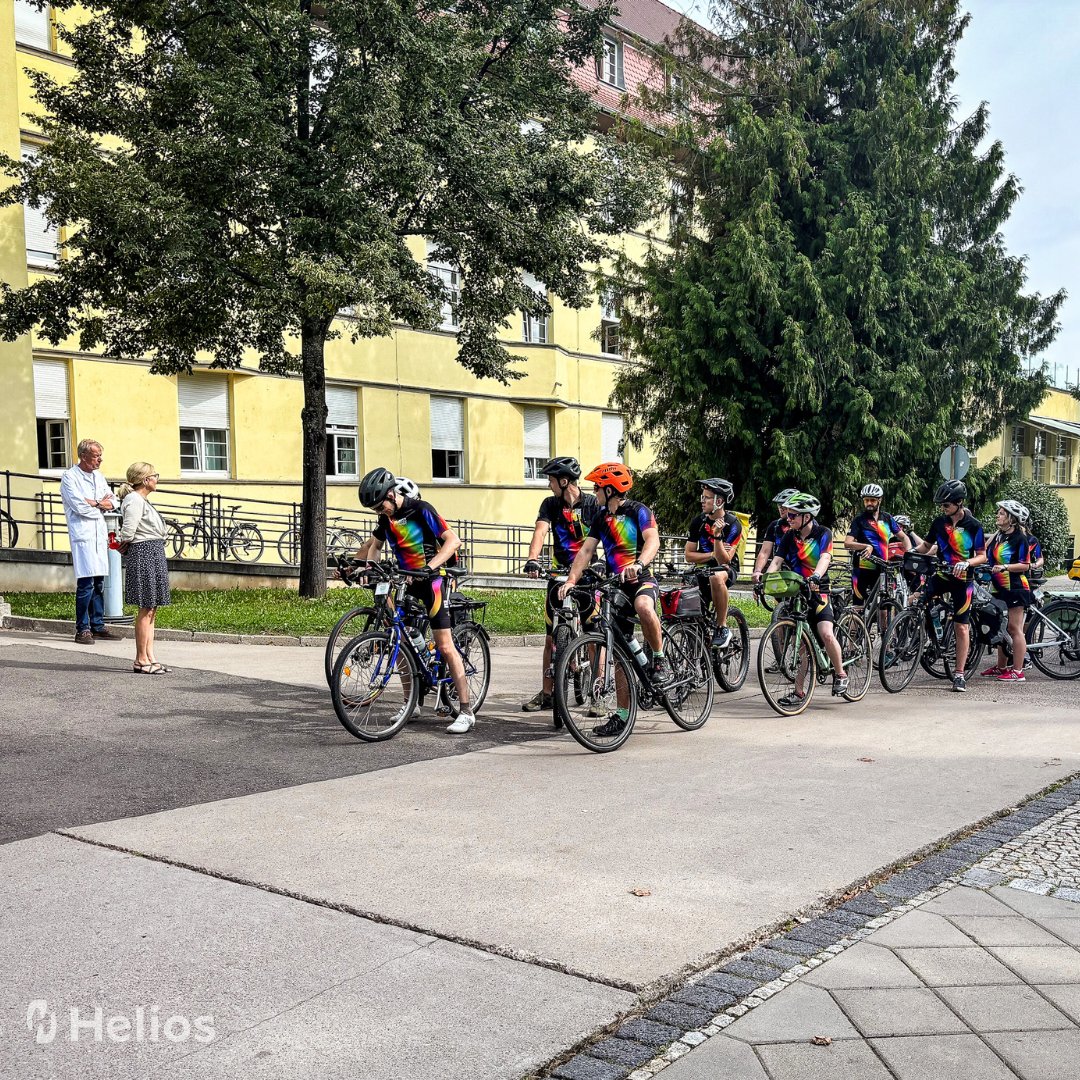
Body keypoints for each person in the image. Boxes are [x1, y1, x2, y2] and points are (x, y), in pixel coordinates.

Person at [356, 467, 475, 733]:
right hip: (405, 582)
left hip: (432, 582)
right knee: (399, 641)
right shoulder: (387, 519)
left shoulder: (421, 509)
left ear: (391, 494)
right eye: (375, 509)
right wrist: (368, 568)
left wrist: (430, 567)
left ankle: (466, 711)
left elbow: (453, 541)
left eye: (380, 506)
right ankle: (412, 703)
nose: (379, 512)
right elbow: (374, 546)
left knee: (445, 646)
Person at [559, 462, 670, 737]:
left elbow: (652, 540)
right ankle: (621, 715)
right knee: (618, 650)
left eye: (596, 487)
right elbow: (586, 551)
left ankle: (658, 658)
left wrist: (640, 563)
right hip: (616, 585)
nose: (593, 492)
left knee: (644, 606)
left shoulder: (638, 511)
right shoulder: (600, 517)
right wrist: (571, 580)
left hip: (641, 580)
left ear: (609, 489)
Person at [521, 457, 600, 716]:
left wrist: (607, 565)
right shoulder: (550, 505)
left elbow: (606, 535)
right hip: (558, 573)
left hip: (588, 575)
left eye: (551, 480)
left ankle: (598, 694)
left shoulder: (591, 504)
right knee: (550, 636)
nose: (548, 485)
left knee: (593, 633)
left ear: (564, 481)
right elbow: (541, 532)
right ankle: (547, 693)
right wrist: (533, 559)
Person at [766, 492, 848, 702]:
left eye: (793, 515)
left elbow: (825, 557)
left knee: (826, 634)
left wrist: (816, 576)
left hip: (819, 591)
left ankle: (840, 673)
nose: (788, 518)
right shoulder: (788, 536)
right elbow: (776, 561)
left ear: (807, 517)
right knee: (801, 644)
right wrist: (765, 580)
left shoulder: (823, 533)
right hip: (798, 592)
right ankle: (799, 691)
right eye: (789, 515)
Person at [913, 479, 986, 693]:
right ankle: (929, 640)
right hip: (942, 576)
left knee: (961, 626)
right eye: (942, 506)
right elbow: (926, 546)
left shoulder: (974, 526)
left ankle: (960, 674)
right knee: (917, 600)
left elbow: (981, 556)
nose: (943, 509)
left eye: (946, 505)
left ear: (959, 503)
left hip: (963, 581)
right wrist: (905, 553)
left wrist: (967, 562)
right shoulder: (939, 523)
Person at [59, 439, 120, 644]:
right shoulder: (70, 477)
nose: (100, 460)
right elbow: (78, 506)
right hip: (83, 535)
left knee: (99, 582)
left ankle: (97, 624)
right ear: (83, 456)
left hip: (98, 533)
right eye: (96, 456)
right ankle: (82, 628)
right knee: (86, 583)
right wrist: (100, 506)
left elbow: (113, 501)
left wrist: (96, 503)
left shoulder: (99, 477)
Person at [117, 463, 172, 674]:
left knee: (152, 608)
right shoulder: (134, 500)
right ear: (145, 480)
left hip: (153, 551)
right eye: (154, 476)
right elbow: (128, 531)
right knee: (146, 606)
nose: (157, 479)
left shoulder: (142, 500)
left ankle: (150, 656)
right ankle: (141, 659)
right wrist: (124, 543)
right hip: (144, 552)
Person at [981, 499, 1033, 683]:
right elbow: (984, 552)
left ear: (1011, 518)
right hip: (998, 587)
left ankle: (1018, 671)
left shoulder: (1020, 538)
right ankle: (1001, 667)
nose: (998, 515)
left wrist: (1005, 567)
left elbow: (1025, 565)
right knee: (999, 626)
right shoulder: (1000, 536)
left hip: (1015, 587)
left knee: (1014, 628)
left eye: (1002, 513)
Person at [685, 478, 741, 648]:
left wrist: (717, 536)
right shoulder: (698, 522)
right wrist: (711, 554)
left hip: (726, 570)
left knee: (716, 577)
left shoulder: (732, 524)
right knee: (685, 585)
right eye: (702, 497)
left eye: (707, 498)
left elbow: (725, 560)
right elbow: (688, 555)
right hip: (703, 569)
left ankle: (722, 626)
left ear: (719, 501)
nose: (702, 501)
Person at [843, 483, 910, 611]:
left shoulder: (887, 518)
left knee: (883, 606)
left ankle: (884, 631)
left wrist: (908, 553)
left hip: (882, 569)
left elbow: (904, 537)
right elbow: (848, 543)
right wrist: (866, 546)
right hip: (862, 568)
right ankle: (853, 630)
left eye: (872, 500)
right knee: (858, 606)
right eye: (866, 500)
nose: (869, 503)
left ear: (879, 500)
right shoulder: (859, 520)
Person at [751, 487, 798, 589]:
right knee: (780, 602)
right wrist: (758, 571)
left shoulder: (804, 525)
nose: (781, 508)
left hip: (801, 571)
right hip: (781, 570)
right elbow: (764, 552)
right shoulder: (775, 526)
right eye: (779, 505)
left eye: (784, 506)